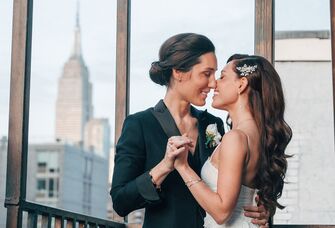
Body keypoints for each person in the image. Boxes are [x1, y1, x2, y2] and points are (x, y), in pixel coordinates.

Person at [110, 34, 269, 228]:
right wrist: (164, 167)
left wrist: (260, 208)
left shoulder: (213, 124)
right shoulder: (139, 124)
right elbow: (120, 201)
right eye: (206, 74)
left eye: (216, 75)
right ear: (179, 73)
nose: (213, 84)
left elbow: (239, 177)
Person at [170, 54, 292, 227]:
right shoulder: (259, 136)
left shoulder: (236, 138)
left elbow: (221, 213)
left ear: (241, 85)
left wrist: (182, 167)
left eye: (222, 77)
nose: (213, 84)